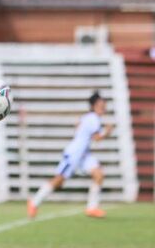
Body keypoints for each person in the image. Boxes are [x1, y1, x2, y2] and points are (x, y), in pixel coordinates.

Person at [27, 91, 114, 219]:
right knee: (59, 181)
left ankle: (92, 208)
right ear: (94, 106)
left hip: (84, 154)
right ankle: (34, 202)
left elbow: (82, 128)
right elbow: (97, 138)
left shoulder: (90, 118)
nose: (104, 107)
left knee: (99, 174)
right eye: (101, 105)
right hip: (74, 154)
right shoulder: (93, 118)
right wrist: (108, 131)